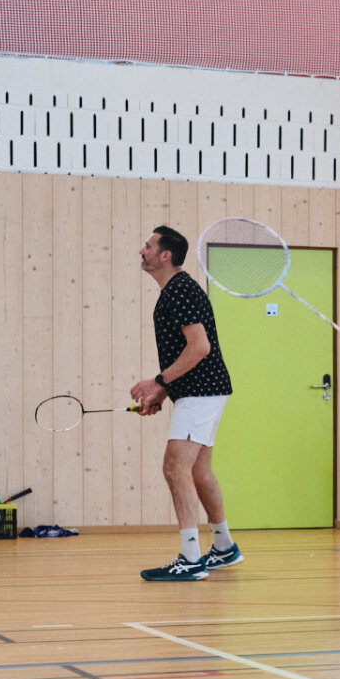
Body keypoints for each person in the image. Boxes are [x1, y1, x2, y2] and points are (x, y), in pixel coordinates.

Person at [130, 225, 241, 582]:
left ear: (165, 255)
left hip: (201, 392)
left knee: (174, 467)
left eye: (148, 246)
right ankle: (224, 547)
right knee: (197, 471)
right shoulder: (176, 290)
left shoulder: (180, 291)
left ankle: (191, 558)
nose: (142, 251)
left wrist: (158, 381)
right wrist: (162, 392)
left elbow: (200, 347)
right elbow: (188, 351)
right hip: (201, 390)